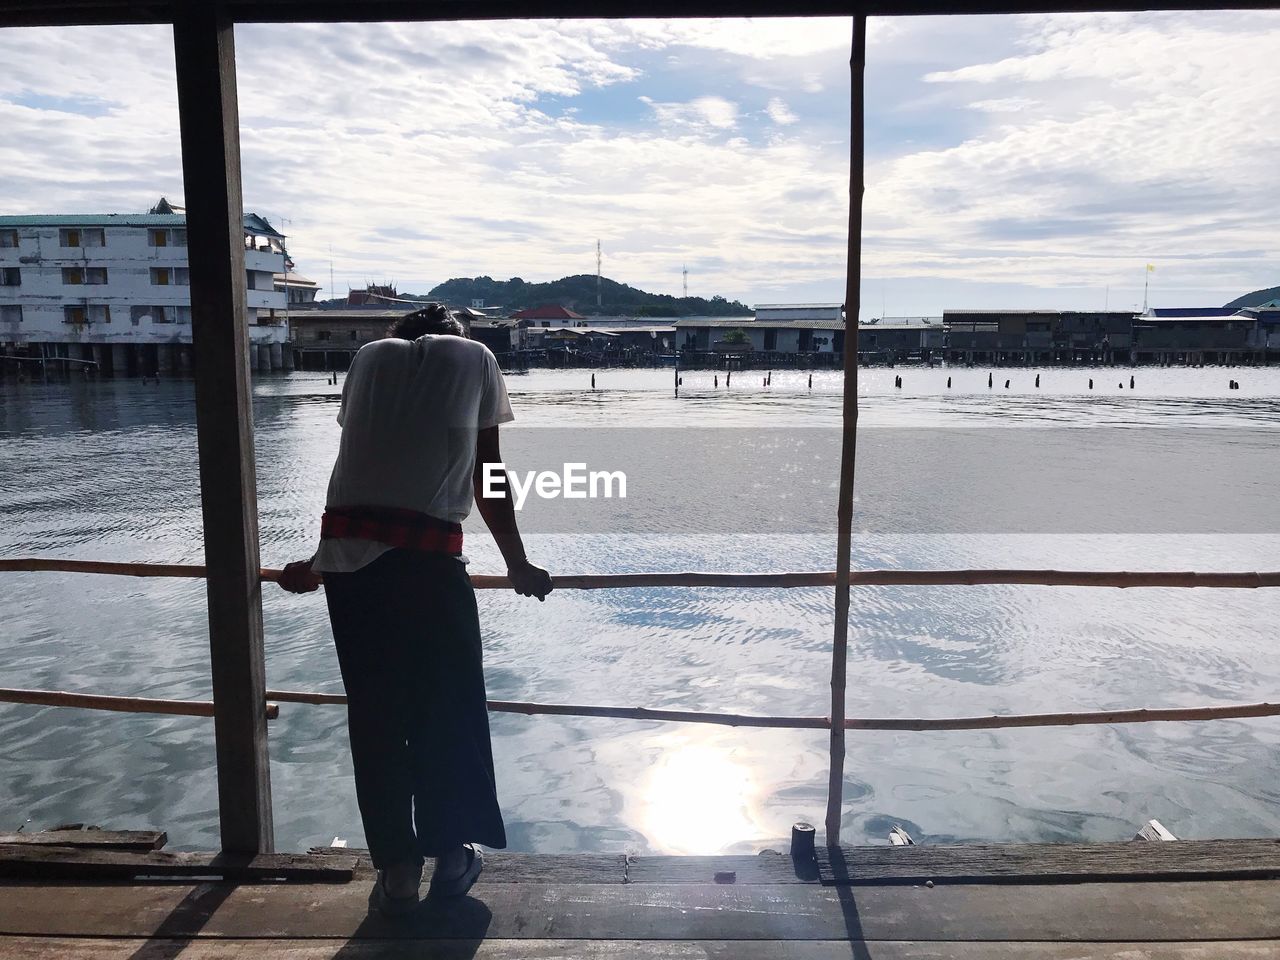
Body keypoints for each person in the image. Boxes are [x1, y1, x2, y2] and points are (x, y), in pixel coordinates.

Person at [278, 303, 551, 914]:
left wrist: (317, 564)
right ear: (456, 337)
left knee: (376, 719)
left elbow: (365, 467)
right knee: (445, 711)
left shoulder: (366, 360)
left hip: (350, 569)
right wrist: (517, 563)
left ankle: (398, 873)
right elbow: (488, 472)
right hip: (426, 564)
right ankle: (451, 861)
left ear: (396, 337)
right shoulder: (476, 357)